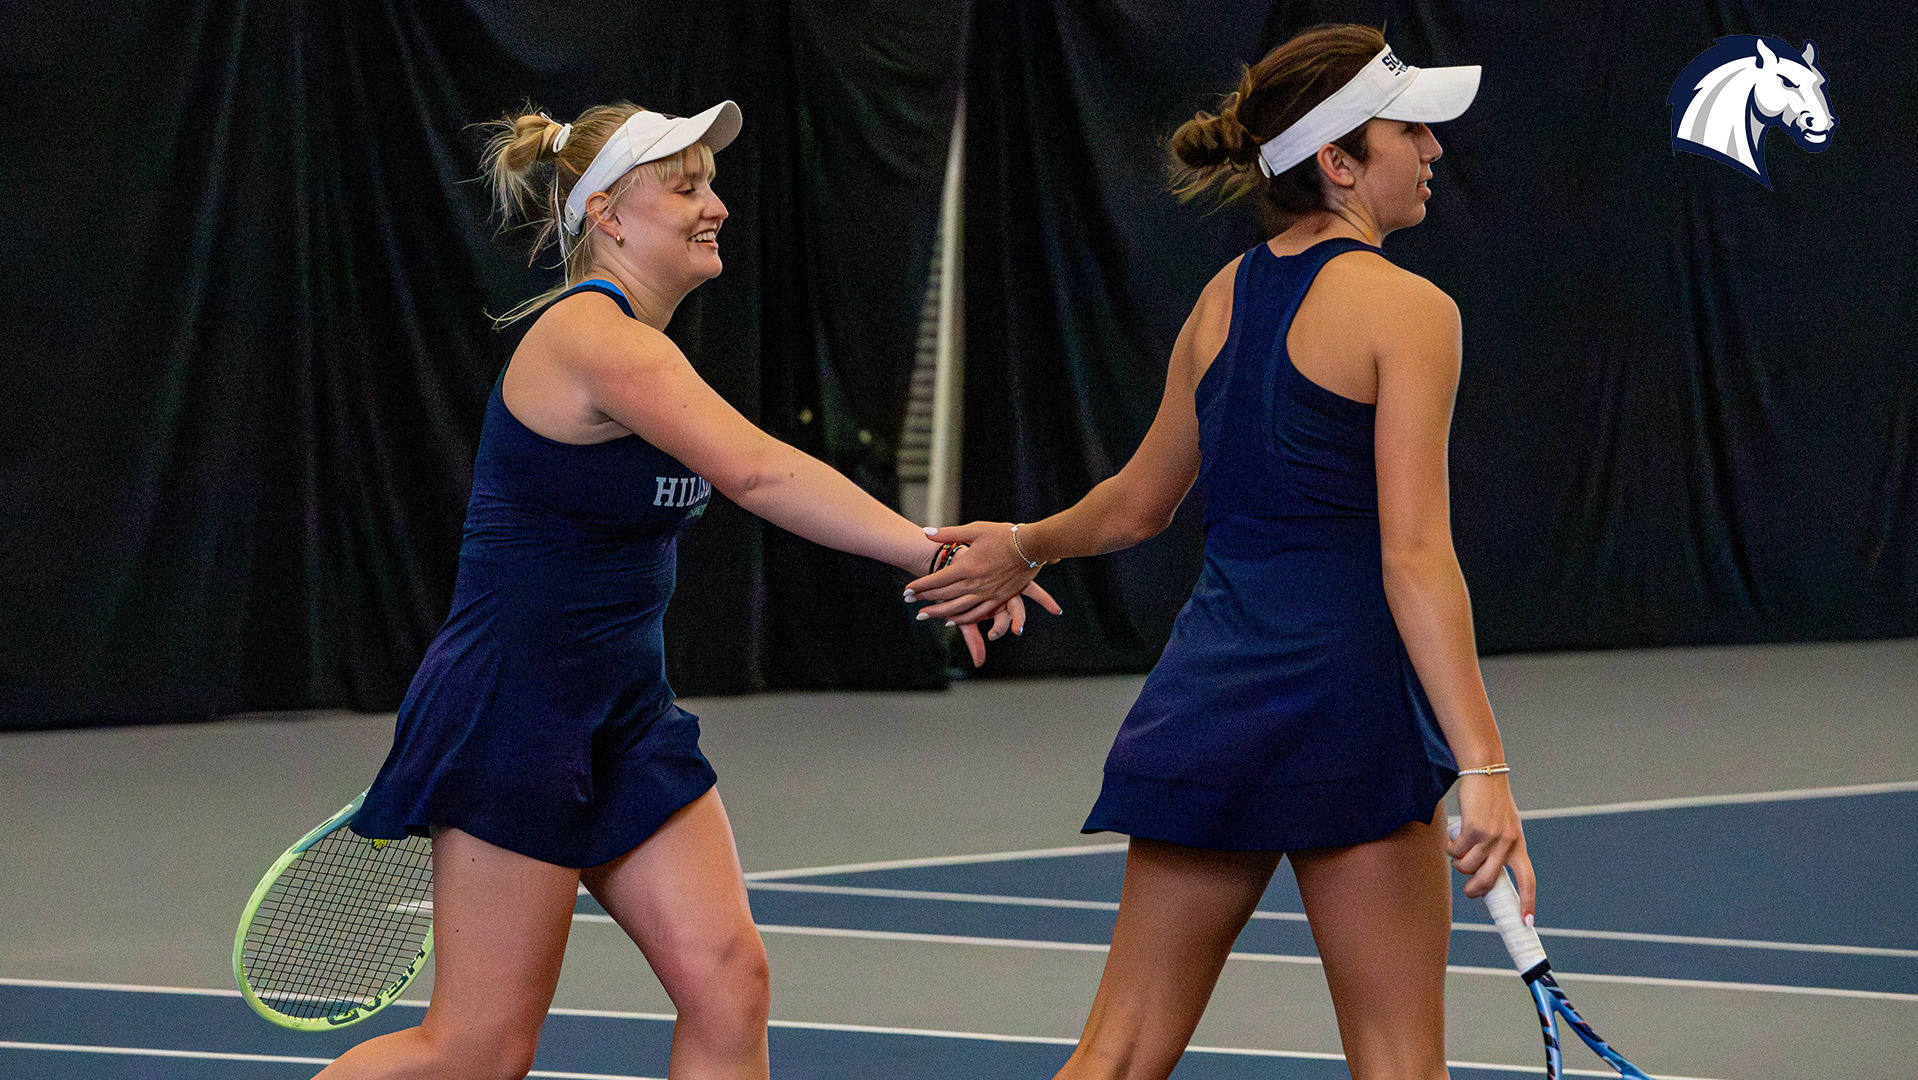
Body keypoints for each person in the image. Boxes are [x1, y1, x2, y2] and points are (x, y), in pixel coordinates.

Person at [328, 100, 1054, 1080]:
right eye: (686, 188)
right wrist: (933, 554)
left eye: (711, 184)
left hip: (624, 715)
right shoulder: (595, 339)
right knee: (475, 1050)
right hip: (515, 715)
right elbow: (759, 471)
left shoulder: (647, 347)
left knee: (728, 982)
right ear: (612, 219)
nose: (715, 205)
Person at [905, 25, 1534, 1080]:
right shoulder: (1413, 312)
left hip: (1210, 699)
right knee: (1398, 1063)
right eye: (1409, 131)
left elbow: (1131, 507)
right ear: (1338, 162)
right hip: (1349, 712)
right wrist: (1485, 764)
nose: (1432, 150)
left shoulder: (1221, 299)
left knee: (1115, 1054)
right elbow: (1414, 554)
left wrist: (1022, 543)